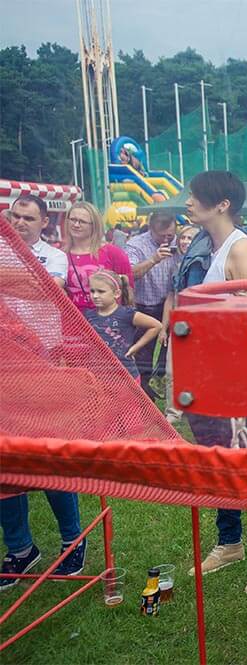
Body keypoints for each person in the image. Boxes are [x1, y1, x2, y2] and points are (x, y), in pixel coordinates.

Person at [179, 171, 247, 595]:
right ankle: (229, 543)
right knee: (217, 466)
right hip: (207, 378)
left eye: (195, 196)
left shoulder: (241, 249)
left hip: (237, 381)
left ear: (221, 204)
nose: (187, 202)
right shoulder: (208, 247)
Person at [0, 195, 85, 592]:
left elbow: (44, 290)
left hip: (45, 368)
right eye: (14, 216)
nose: (19, 222)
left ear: (44, 222)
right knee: (6, 464)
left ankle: (72, 539)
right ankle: (20, 548)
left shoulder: (54, 257)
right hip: (5, 376)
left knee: (50, 458)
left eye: (28, 217)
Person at [125, 212, 177, 400]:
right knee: (142, 353)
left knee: (169, 351)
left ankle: (160, 385)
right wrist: (153, 259)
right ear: (150, 229)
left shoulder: (178, 242)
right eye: (161, 235)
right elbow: (129, 274)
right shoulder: (136, 245)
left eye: (170, 235)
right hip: (143, 305)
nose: (166, 239)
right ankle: (143, 393)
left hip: (169, 304)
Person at [84, 269, 162, 380]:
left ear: (116, 293)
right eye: (92, 291)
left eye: (101, 292)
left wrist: (136, 347)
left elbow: (156, 325)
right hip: (98, 375)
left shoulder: (126, 314)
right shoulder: (88, 315)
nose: (95, 296)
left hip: (125, 374)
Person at [159, 225, 199, 423]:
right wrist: (163, 327)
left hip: (199, 323)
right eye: (183, 238)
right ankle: (174, 412)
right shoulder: (174, 265)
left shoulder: (203, 263)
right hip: (178, 323)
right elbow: (170, 297)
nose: (185, 242)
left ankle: (197, 407)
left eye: (190, 238)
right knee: (172, 369)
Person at [62, 201, 134, 312]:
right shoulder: (59, 254)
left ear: (94, 225)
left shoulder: (112, 252)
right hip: (71, 321)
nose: (76, 225)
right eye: (73, 220)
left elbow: (127, 289)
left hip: (106, 322)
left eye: (82, 222)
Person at [6, 194, 67, 287]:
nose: (20, 222)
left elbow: (52, 290)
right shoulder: (2, 247)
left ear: (44, 222)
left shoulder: (56, 255)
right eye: (16, 216)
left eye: (28, 219)